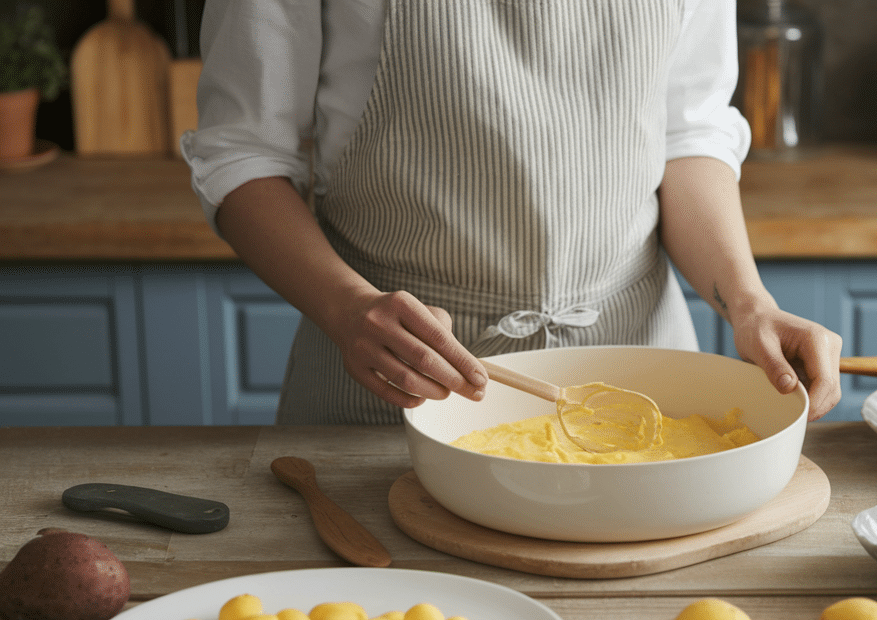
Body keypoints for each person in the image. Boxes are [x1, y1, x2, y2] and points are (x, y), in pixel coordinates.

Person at [182, 0, 842, 426]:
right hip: (395, 392)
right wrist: (345, 307)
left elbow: (686, 135)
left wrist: (748, 302)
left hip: (643, 387)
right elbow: (243, 154)